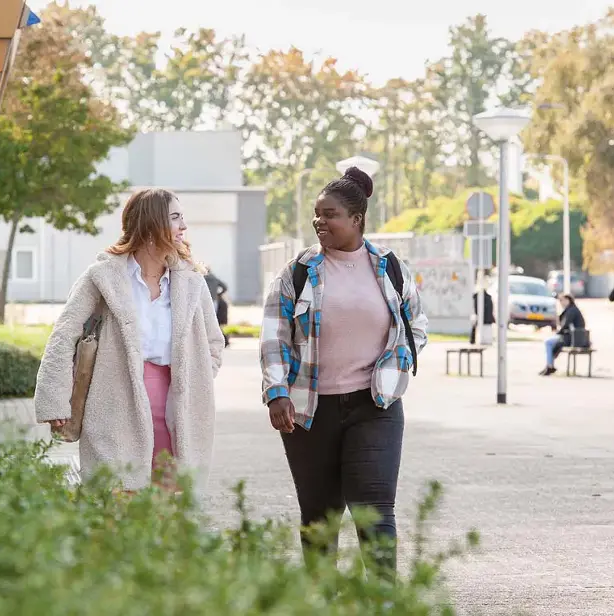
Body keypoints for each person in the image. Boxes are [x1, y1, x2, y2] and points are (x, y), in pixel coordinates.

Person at [259, 166, 429, 576]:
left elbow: (417, 326)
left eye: (330, 214)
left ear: (357, 219)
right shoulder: (297, 273)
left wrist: (396, 364)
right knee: (319, 516)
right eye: (317, 214)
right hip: (308, 410)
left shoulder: (390, 268)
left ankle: (384, 603)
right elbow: (273, 335)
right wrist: (276, 390)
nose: (320, 222)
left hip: (376, 406)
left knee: (375, 511)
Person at [34, 189, 225, 492]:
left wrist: (198, 376)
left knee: (169, 499)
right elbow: (64, 334)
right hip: (113, 401)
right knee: (118, 498)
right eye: (175, 218)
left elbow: (214, 342)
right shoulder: (102, 277)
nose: (184, 227)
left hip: (177, 404)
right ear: (151, 224)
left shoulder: (191, 281)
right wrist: (55, 399)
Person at [540, 293, 586, 376]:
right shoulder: (571, 309)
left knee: (548, 342)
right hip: (572, 337)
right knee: (551, 342)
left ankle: (550, 366)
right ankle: (549, 365)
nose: (561, 302)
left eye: (562, 300)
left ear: (568, 300)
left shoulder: (571, 311)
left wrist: (558, 332)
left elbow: (565, 325)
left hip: (572, 338)